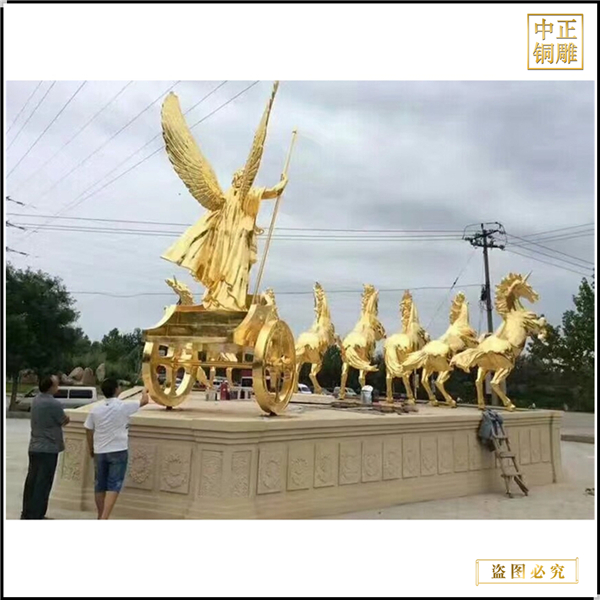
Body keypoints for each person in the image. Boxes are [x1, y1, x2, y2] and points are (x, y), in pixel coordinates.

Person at [84, 379, 149, 519]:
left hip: (100, 450)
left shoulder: (95, 409)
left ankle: (100, 515)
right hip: (118, 449)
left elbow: (88, 428)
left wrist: (91, 447)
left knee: (100, 484)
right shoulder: (123, 406)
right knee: (114, 485)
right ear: (116, 390)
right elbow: (144, 401)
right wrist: (144, 391)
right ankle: (104, 517)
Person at [21, 374, 70, 519]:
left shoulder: (36, 400)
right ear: (51, 387)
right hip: (49, 448)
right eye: (56, 384)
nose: (58, 387)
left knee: (32, 481)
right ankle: (37, 515)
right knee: (43, 483)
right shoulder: (54, 404)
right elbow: (63, 420)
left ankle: (27, 512)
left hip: (34, 446)